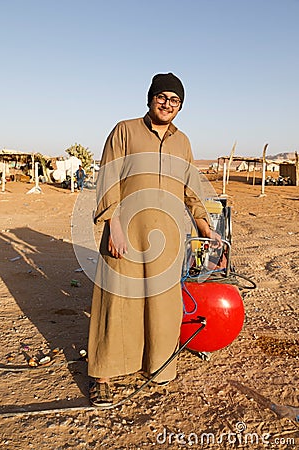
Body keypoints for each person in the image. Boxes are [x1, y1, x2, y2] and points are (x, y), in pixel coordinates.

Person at [88, 72, 221, 407]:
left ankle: (157, 367)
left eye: (174, 100)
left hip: (169, 234)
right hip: (127, 229)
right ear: (150, 99)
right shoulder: (125, 130)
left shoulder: (183, 142)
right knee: (117, 301)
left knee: (163, 305)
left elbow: (191, 188)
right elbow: (108, 179)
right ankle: (102, 374)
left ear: (181, 106)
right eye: (161, 97)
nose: (167, 104)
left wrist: (204, 225)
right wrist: (112, 225)